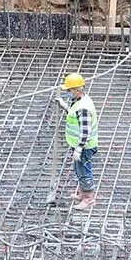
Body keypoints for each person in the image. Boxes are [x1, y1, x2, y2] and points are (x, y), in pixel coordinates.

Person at [56, 73, 99, 210]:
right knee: (79, 169)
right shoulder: (80, 101)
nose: (67, 93)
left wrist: (80, 148)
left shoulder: (84, 107)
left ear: (77, 90)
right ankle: (83, 193)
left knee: (84, 170)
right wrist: (64, 106)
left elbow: (85, 131)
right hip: (78, 144)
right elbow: (75, 115)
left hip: (84, 146)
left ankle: (89, 198)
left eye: (69, 90)